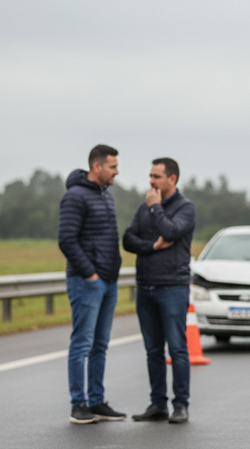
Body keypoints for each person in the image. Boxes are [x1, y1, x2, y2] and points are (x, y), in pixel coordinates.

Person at [123, 157, 196, 424]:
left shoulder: (185, 208)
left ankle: (181, 405)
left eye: (157, 176)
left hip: (172, 288)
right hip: (146, 287)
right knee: (153, 350)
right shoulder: (144, 208)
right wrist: (152, 246)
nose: (151, 181)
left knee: (177, 348)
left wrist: (156, 209)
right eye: (150, 176)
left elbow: (172, 230)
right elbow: (128, 239)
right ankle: (157, 404)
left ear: (172, 179)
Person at [58, 144, 126, 424]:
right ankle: (79, 404)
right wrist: (91, 275)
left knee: (100, 344)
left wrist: (109, 275)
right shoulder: (75, 197)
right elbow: (67, 240)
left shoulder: (106, 196)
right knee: (82, 343)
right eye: (112, 166)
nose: (116, 171)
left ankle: (96, 401)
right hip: (87, 282)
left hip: (108, 282)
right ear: (96, 166)